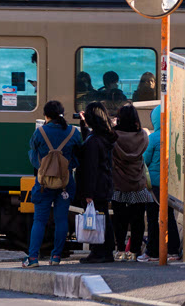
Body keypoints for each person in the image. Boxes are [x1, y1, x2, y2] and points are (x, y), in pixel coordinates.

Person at [23, 100, 82, 268]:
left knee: (39, 220)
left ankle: (33, 259)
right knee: (61, 219)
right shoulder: (73, 132)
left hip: (44, 183)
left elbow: (34, 155)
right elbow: (78, 156)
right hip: (65, 182)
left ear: (46, 115)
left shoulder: (40, 132)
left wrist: (43, 167)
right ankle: (56, 257)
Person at [111, 103, 155, 260]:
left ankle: (120, 250)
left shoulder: (113, 136)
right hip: (138, 183)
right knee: (137, 220)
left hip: (119, 185)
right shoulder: (143, 135)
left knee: (119, 219)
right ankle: (134, 251)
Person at [78, 101, 118, 263]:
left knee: (97, 219)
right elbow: (89, 138)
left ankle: (99, 252)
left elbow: (91, 168)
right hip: (104, 184)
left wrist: (88, 193)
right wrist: (83, 126)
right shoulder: (102, 137)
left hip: (96, 187)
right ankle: (105, 251)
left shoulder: (94, 141)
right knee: (103, 218)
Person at [141, 104, 181, 261]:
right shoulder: (175, 136)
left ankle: (152, 252)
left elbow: (144, 161)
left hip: (154, 185)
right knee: (169, 216)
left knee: (152, 218)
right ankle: (173, 251)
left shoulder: (153, 138)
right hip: (170, 183)